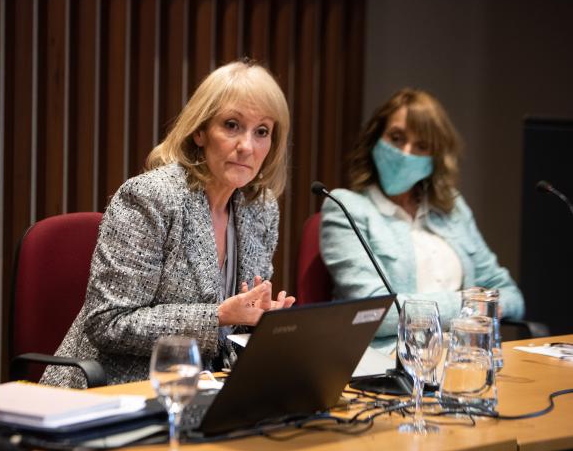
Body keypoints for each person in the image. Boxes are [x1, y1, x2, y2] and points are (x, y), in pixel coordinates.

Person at [41, 60, 295, 388]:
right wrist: (219, 316)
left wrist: (260, 321)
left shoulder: (259, 209)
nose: (247, 146)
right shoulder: (150, 198)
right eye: (232, 125)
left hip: (204, 390)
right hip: (113, 392)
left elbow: (230, 337)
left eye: (262, 131)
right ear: (200, 131)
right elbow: (108, 322)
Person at [320, 88, 524, 351]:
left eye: (421, 146)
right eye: (396, 138)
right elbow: (377, 314)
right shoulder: (346, 207)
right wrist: (470, 305)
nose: (406, 152)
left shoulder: (452, 207)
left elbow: (511, 295)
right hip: (393, 365)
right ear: (375, 140)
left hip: (467, 360)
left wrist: (470, 306)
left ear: (434, 158)